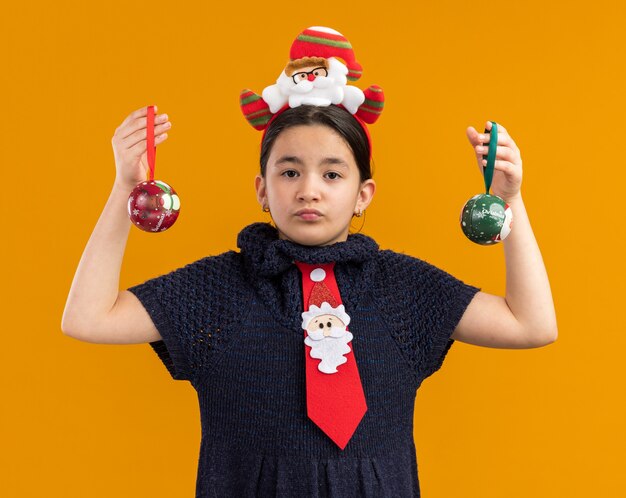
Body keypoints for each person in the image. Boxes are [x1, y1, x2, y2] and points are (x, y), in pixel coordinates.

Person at [62, 27, 557, 498]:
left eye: (333, 173)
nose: (309, 190)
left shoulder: (405, 289)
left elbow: (531, 324)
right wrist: (125, 189)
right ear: (262, 188)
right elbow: (88, 317)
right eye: (290, 170)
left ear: (364, 195)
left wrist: (510, 201)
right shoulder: (218, 290)